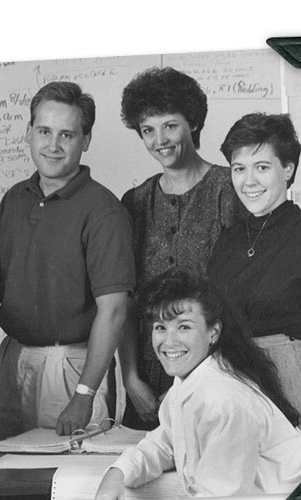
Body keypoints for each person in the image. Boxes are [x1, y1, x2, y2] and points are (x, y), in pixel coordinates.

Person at [0, 82, 135, 438]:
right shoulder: (15, 199)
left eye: (67, 134)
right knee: (9, 471)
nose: (53, 145)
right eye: (44, 131)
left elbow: (114, 311)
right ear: (29, 133)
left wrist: (84, 395)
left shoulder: (104, 210)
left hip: (71, 366)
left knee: (65, 478)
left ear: (86, 140)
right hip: (13, 360)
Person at [94, 269, 301, 500]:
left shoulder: (224, 400)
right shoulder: (187, 382)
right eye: (160, 327)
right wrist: (118, 473)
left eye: (184, 327)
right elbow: (164, 444)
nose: (169, 342)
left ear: (213, 332)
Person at [207, 113, 301, 453]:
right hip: (235, 397)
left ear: (288, 169)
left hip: (295, 395)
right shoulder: (226, 241)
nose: (248, 180)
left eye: (262, 167)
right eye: (239, 168)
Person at [117, 67, 247, 430]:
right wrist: (131, 380)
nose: (160, 139)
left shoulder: (229, 190)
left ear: (192, 122)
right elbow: (125, 302)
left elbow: (237, 299)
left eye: (170, 125)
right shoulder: (135, 202)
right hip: (147, 381)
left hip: (216, 378)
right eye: (148, 130)